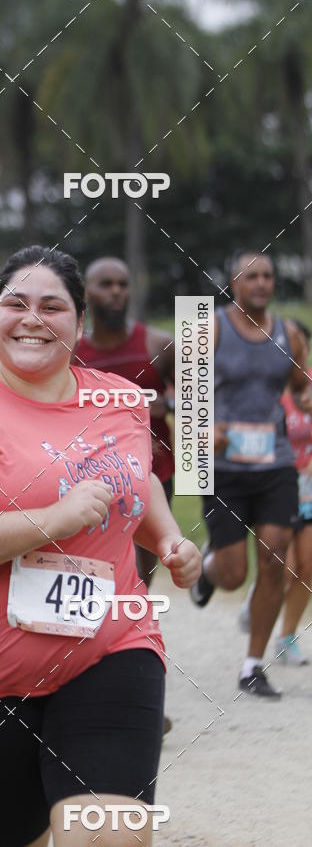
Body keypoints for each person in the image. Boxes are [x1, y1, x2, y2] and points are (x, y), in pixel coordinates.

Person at [0, 246, 201, 847]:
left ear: (79, 324)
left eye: (52, 306)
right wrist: (50, 520)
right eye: (15, 302)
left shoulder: (119, 400)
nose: (31, 317)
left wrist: (167, 537)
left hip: (111, 650)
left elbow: (134, 482)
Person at [190, 253, 312, 698]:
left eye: (268, 275)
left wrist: (304, 397)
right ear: (233, 282)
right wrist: (206, 430)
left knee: (276, 557)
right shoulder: (210, 328)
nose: (261, 283)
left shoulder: (290, 334)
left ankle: (253, 665)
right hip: (222, 469)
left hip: (276, 464)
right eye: (251, 276)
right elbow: (185, 397)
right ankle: (209, 569)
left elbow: (300, 387)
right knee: (233, 573)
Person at [73, 258, 175, 589]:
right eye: (106, 285)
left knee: (143, 564)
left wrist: (166, 405)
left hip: (153, 471)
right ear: (86, 292)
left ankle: (134, 625)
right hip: (89, 473)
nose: (116, 292)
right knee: (100, 558)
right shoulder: (73, 353)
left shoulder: (160, 345)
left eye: (123, 285)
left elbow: (198, 408)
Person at [275, 319, 312, 664]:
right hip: (278, 484)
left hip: (310, 488)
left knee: (308, 566)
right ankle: (256, 601)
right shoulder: (265, 384)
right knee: (284, 569)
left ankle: (287, 637)